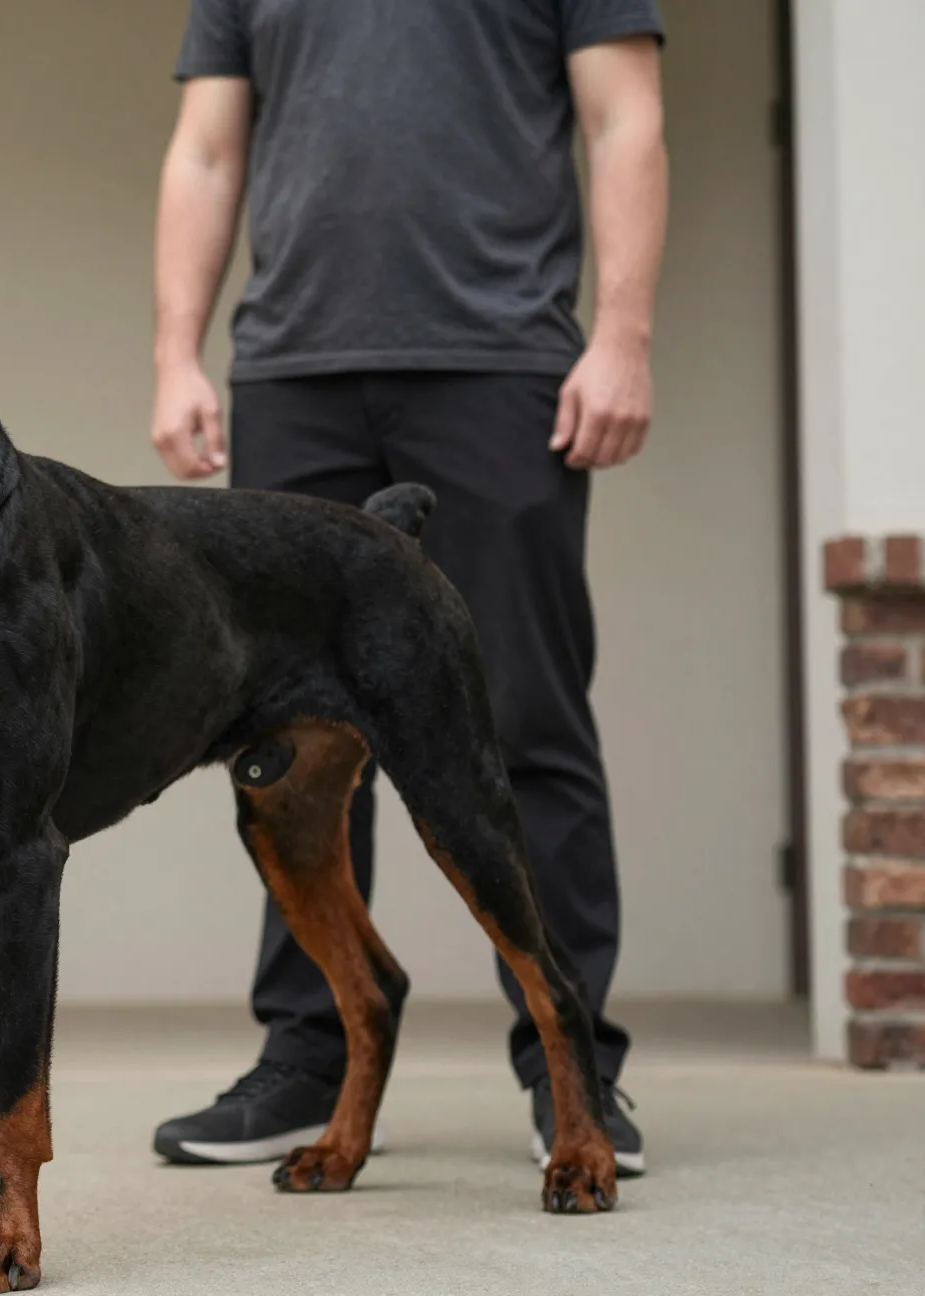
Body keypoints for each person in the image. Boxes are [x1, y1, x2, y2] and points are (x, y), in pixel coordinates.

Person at [147, 1, 668, 1177]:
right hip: (294, 367)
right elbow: (207, 145)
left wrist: (622, 335)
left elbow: (624, 115)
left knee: (526, 722)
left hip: (499, 364)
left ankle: (571, 1068)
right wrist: (178, 351)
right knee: (279, 745)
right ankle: (305, 1056)